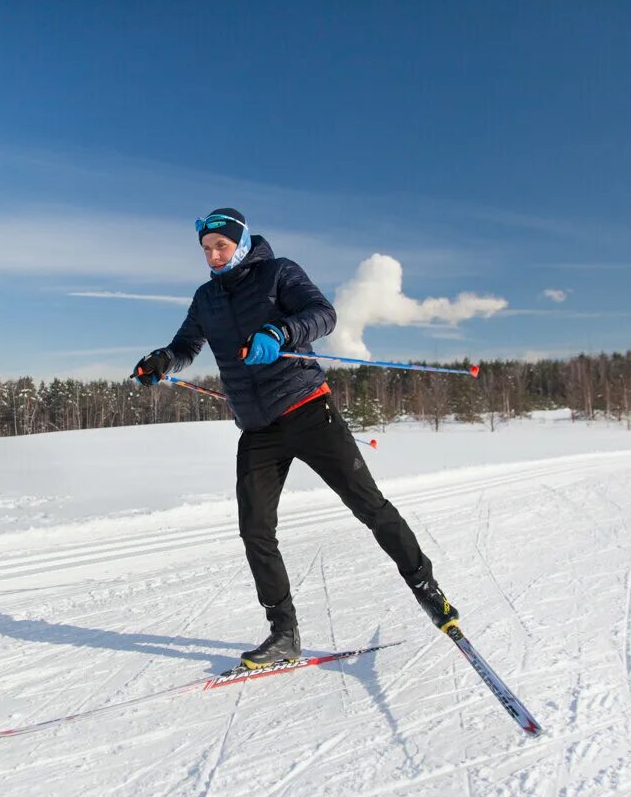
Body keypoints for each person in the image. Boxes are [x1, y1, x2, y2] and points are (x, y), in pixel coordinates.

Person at [132, 208, 458, 669]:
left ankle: (429, 591)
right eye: (206, 250)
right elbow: (186, 345)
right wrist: (162, 360)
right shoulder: (206, 298)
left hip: (306, 408)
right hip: (258, 427)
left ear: (240, 243)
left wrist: (279, 329)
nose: (213, 256)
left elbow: (323, 315)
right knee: (256, 530)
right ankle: (283, 633)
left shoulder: (279, 272)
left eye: (221, 247)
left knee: (369, 506)